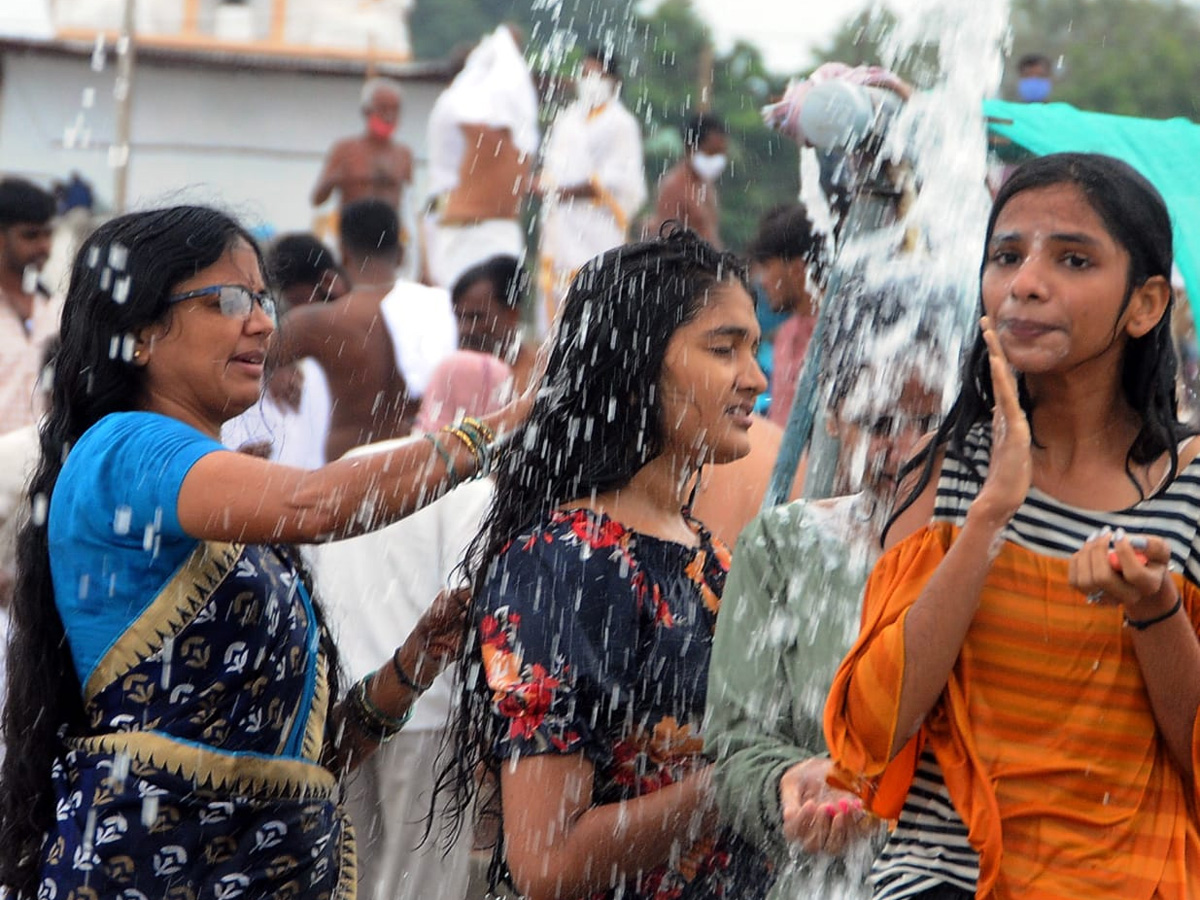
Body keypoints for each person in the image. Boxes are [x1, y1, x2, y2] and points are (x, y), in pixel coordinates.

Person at [0, 205, 521, 896]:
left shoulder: (223, 509)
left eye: (262, 299)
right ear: (141, 334)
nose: (264, 323)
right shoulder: (124, 446)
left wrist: (411, 666)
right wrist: (510, 424)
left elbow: (294, 764)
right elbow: (319, 504)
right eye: (228, 300)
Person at [825, 153, 1200, 899]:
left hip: (1132, 880)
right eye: (1006, 255)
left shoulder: (1188, 488)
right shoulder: (952, 471)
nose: (1025, 282)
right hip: (944, 878)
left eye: (1072, 258)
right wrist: (993, 510)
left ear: (1146, 303)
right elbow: (871, 731)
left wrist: (1155, 609)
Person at [439, 228, 770, 900]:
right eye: (724, 348)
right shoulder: (565, 561)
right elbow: (546, 861)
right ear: (638, 360)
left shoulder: (702, 548)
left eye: (755, 349)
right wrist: (741, 778)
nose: (756, 380)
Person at [705, 304, 948, 899]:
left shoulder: (999, 550)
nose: (909, 448)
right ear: (836, 420)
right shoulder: (783, 548)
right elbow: (735, 742)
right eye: (882, 422)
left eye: (930, 421)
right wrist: (796, 778)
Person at [313, 350, 512, 900]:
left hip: (344, 714)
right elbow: (472, 603)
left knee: (347, 876)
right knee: (421, 886)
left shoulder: (363, 463)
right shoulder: (472, 490)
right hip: (426, 710)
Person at [275, 199, 457, 461]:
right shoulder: (443, 309)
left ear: (344, 253)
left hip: (349, 467)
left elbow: (249, 359)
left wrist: (278, 370)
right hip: (418, 465)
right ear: (402, 254)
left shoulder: (314, 323)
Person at [537, 47, 646, 329]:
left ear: (613, 80)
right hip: (562, 226)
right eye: (585, 73)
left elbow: (622, 179)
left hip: (597, 225)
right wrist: (541, 185)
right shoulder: (567, 118)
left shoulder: (622, 123)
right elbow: (552, 168)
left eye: (596, 74)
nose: (589, 80)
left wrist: (566, 191)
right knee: (553, 315)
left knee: (595, 305)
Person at [424, 25, 539, 290]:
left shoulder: (483, 115)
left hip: (491, 225)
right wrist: (502, 44)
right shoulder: (455, 106)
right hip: (458, 221)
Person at [223, 232, 348, 467]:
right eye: (291, 304)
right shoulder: (289, 367)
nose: (299, 314)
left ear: (331, 284)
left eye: (302, 299)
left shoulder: (357, 326)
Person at [747, 204, 825, 427]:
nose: (763, 281)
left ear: (797, 269)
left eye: (768, 268)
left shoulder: (839, 336)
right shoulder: (785, 334)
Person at [0, 178, 59, 434]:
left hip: (40, 464)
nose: (43, 247)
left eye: (48, 234)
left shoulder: (58, 310)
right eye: (31, 235)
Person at [311, 77, 414, 214]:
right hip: (353, 230)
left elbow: (411, 202)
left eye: (395, 109)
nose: (389, 116)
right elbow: (317, 200)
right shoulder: (345, 150)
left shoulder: (403, 154)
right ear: (366, 111)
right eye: (383, 108)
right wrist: (333, 181)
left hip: (389, 232)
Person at [451, 254, 539, 396]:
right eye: (459, 317)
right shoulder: (450, 375)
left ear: (512, 315)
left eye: (475, 317)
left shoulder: (537, 378)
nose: (464, 329)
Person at [647, 115, 728, 247]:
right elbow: (666, 236)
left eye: (721, 153)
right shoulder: (673, 187)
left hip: (707, 264)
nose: (717, 159)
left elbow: (709, 233)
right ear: (691, 148)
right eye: (712, 152)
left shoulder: (706, 185)